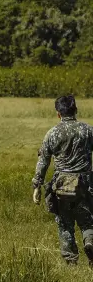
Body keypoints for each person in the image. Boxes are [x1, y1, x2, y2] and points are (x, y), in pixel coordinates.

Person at [32, 95, 93, 265]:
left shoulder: (52, 133)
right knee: (87, 219)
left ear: (58, 114)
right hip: (86, 183)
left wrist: (37, 185)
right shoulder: (88, 130)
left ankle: (71, 261)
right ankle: (90, 241)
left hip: (62, 185)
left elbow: (43, 161)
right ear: (76, 111)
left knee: (65, 223)